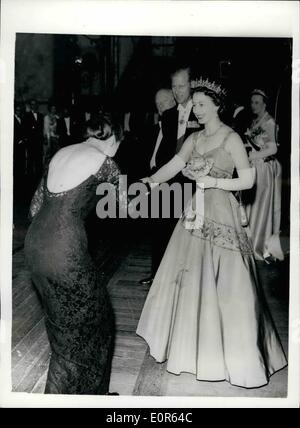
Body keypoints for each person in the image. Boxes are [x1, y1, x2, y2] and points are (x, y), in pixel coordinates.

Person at [136, 78, 287, 389]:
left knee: (230, 286)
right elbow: (175, 165)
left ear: (218, 106)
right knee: (192, 280)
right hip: (196, 213)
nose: (197, 110)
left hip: (223, 212)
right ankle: (195, 351)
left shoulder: (231, 138)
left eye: (203, 105)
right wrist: (149, 181)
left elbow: (247, 181)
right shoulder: (193, 138)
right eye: (195, 105)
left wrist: (215, 183)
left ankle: (236, 357)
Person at [24, 112, 123, 394]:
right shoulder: (106, 164)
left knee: (63, 331)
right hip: (64, 249)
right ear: (113, 138)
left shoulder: (61, 153)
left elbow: (34, 209)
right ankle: (93, 396)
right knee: (98, 322)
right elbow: (129, 206)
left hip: (35, 247)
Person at [140, 66, 201, 286]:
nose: (177, 91)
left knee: (190, 232)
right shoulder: (168, 116)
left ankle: (187, 280)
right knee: (160, 227)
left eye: (181, 85)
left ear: (192, 85)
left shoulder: (202, 111)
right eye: (174, 86)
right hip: (169, 180)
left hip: (194, 182)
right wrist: (157, 178)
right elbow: (165, 150)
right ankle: (157, 276)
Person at [243, 89, 282, 261]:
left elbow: (273, 148)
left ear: (265, 104)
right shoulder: (255, 121)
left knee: (261, 206)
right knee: (252, 206)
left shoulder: (269, 122)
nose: (253, 106)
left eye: (257, 102)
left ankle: (261, 243)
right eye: (252, 102)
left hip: (265, 168)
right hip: (256, 168)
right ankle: (251, 241)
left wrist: (252, 155)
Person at [23, 99, 44, 186]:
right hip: (31, 144)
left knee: (39, 162)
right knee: (31, 163)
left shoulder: (41, 115)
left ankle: (39, 181)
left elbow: (41, 129)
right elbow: (26, 130)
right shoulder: (26, 116)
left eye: (35, 104)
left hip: (39, 143)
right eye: (32, 104)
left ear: (37, 105)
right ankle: (30, 182)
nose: (33, 106)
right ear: (30, 106)